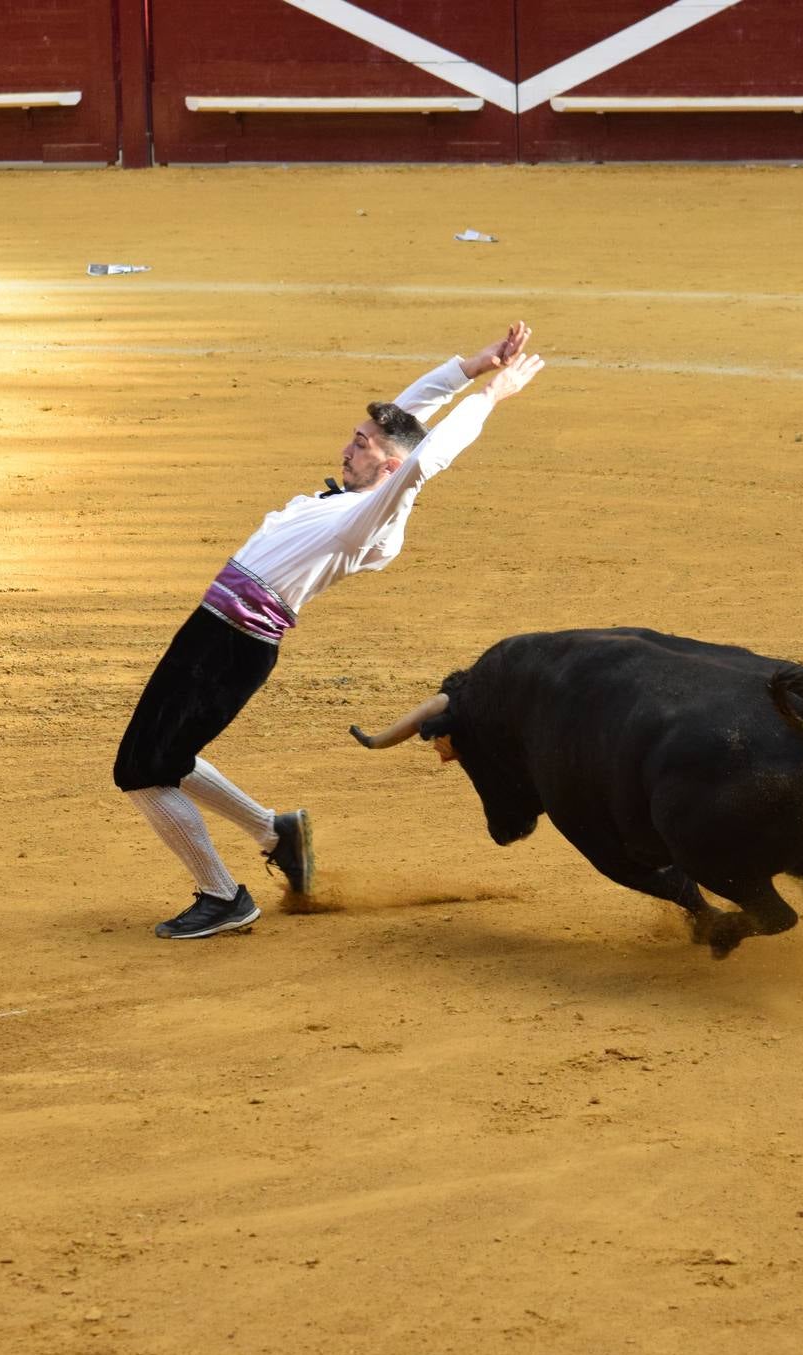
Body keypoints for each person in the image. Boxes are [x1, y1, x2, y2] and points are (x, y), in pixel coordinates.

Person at [113, 323, 547, 940]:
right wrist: (468, 368)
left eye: (361, 443)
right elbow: (406, 423)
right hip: (213, 634)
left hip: (231, 646)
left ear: (388, 466)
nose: (348, 447)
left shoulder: (370, 518)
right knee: (161, 757)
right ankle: (275, 832)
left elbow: (425, 457)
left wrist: (489, 397)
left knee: (139, 771)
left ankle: (223, 895)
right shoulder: (357, 492)